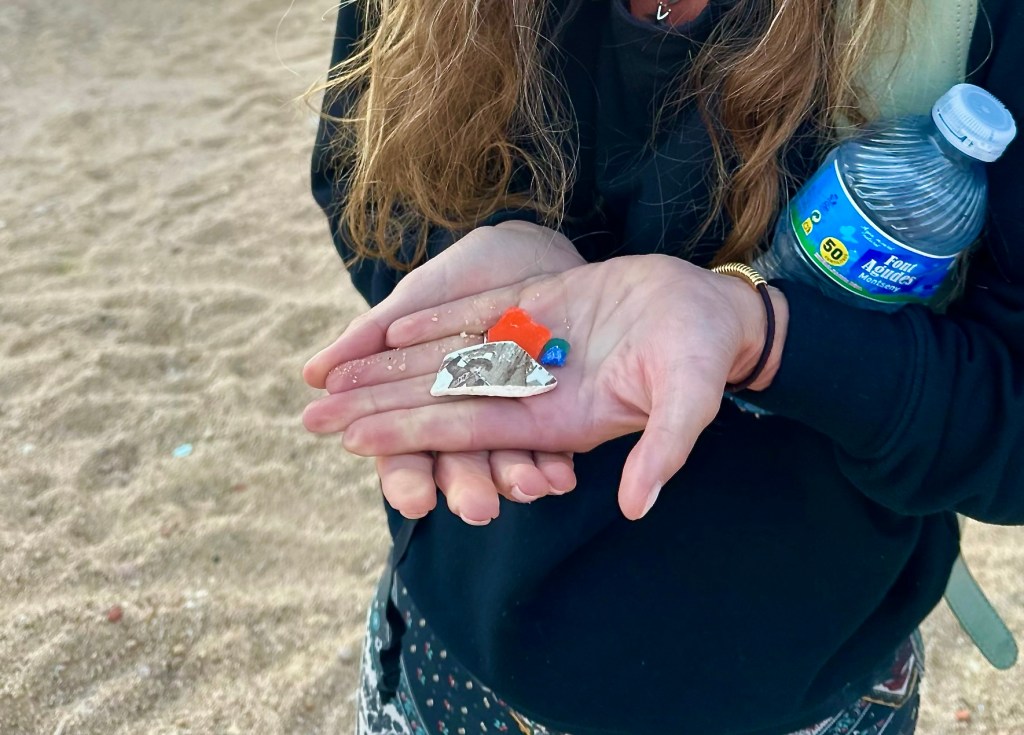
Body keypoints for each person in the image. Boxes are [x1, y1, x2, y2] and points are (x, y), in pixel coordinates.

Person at [302, 0, 1024, 733]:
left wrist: (762, 333)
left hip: (803, 691)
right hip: (446, 650)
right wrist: (506, 267)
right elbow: (360, 176)